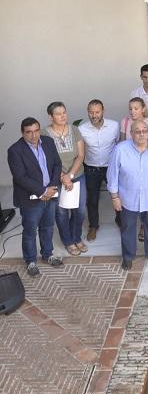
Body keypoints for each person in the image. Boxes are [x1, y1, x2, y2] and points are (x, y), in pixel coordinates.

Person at [107, 119, 148, 270]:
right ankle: (128, 256)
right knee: (128, 228)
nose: (142, 134)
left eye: (144, 130)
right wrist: (114, 197)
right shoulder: (120, 150)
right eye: (138, 131)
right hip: (127, 198)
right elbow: (112, 175)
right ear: (131, 133)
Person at [7, 118, 64, 277]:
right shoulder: (15, 150)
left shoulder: (47, 142)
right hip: (30, 198)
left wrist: (51, 188)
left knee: (48, 226)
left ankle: (48, 254)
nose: (33, 135)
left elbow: (57, 165)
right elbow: (20, 177)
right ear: (22, 133)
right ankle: (30, 260)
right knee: (30, 230)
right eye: (29, 132)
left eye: (36, 130)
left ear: (40, 129)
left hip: (50, 194)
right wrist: (43, 191)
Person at [45, 101, 87, 256]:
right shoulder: (44, 133)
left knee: (80, 210)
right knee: (61, 212)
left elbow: (81, 155)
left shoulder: (74, 130)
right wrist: (62, 177)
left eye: (64, 112)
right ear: (51, 117)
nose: (62, 116)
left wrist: (70, 175)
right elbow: (47, 161)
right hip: (56, 179)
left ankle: (76, 237)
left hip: (77, 175)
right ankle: (68, 241)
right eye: (58, 113)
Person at [79, 99, 120, 241]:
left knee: (117, 195)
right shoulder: (82, 129)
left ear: (103, 111)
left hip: (110, 167)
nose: (94, 115)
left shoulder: (114, 126)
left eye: (97, 112)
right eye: (91, 112)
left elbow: (118, 146)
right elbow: (80, 151)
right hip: (91, 168)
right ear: (87, 112)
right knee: (92, 199)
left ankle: (121, 220)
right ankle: (93, 226)